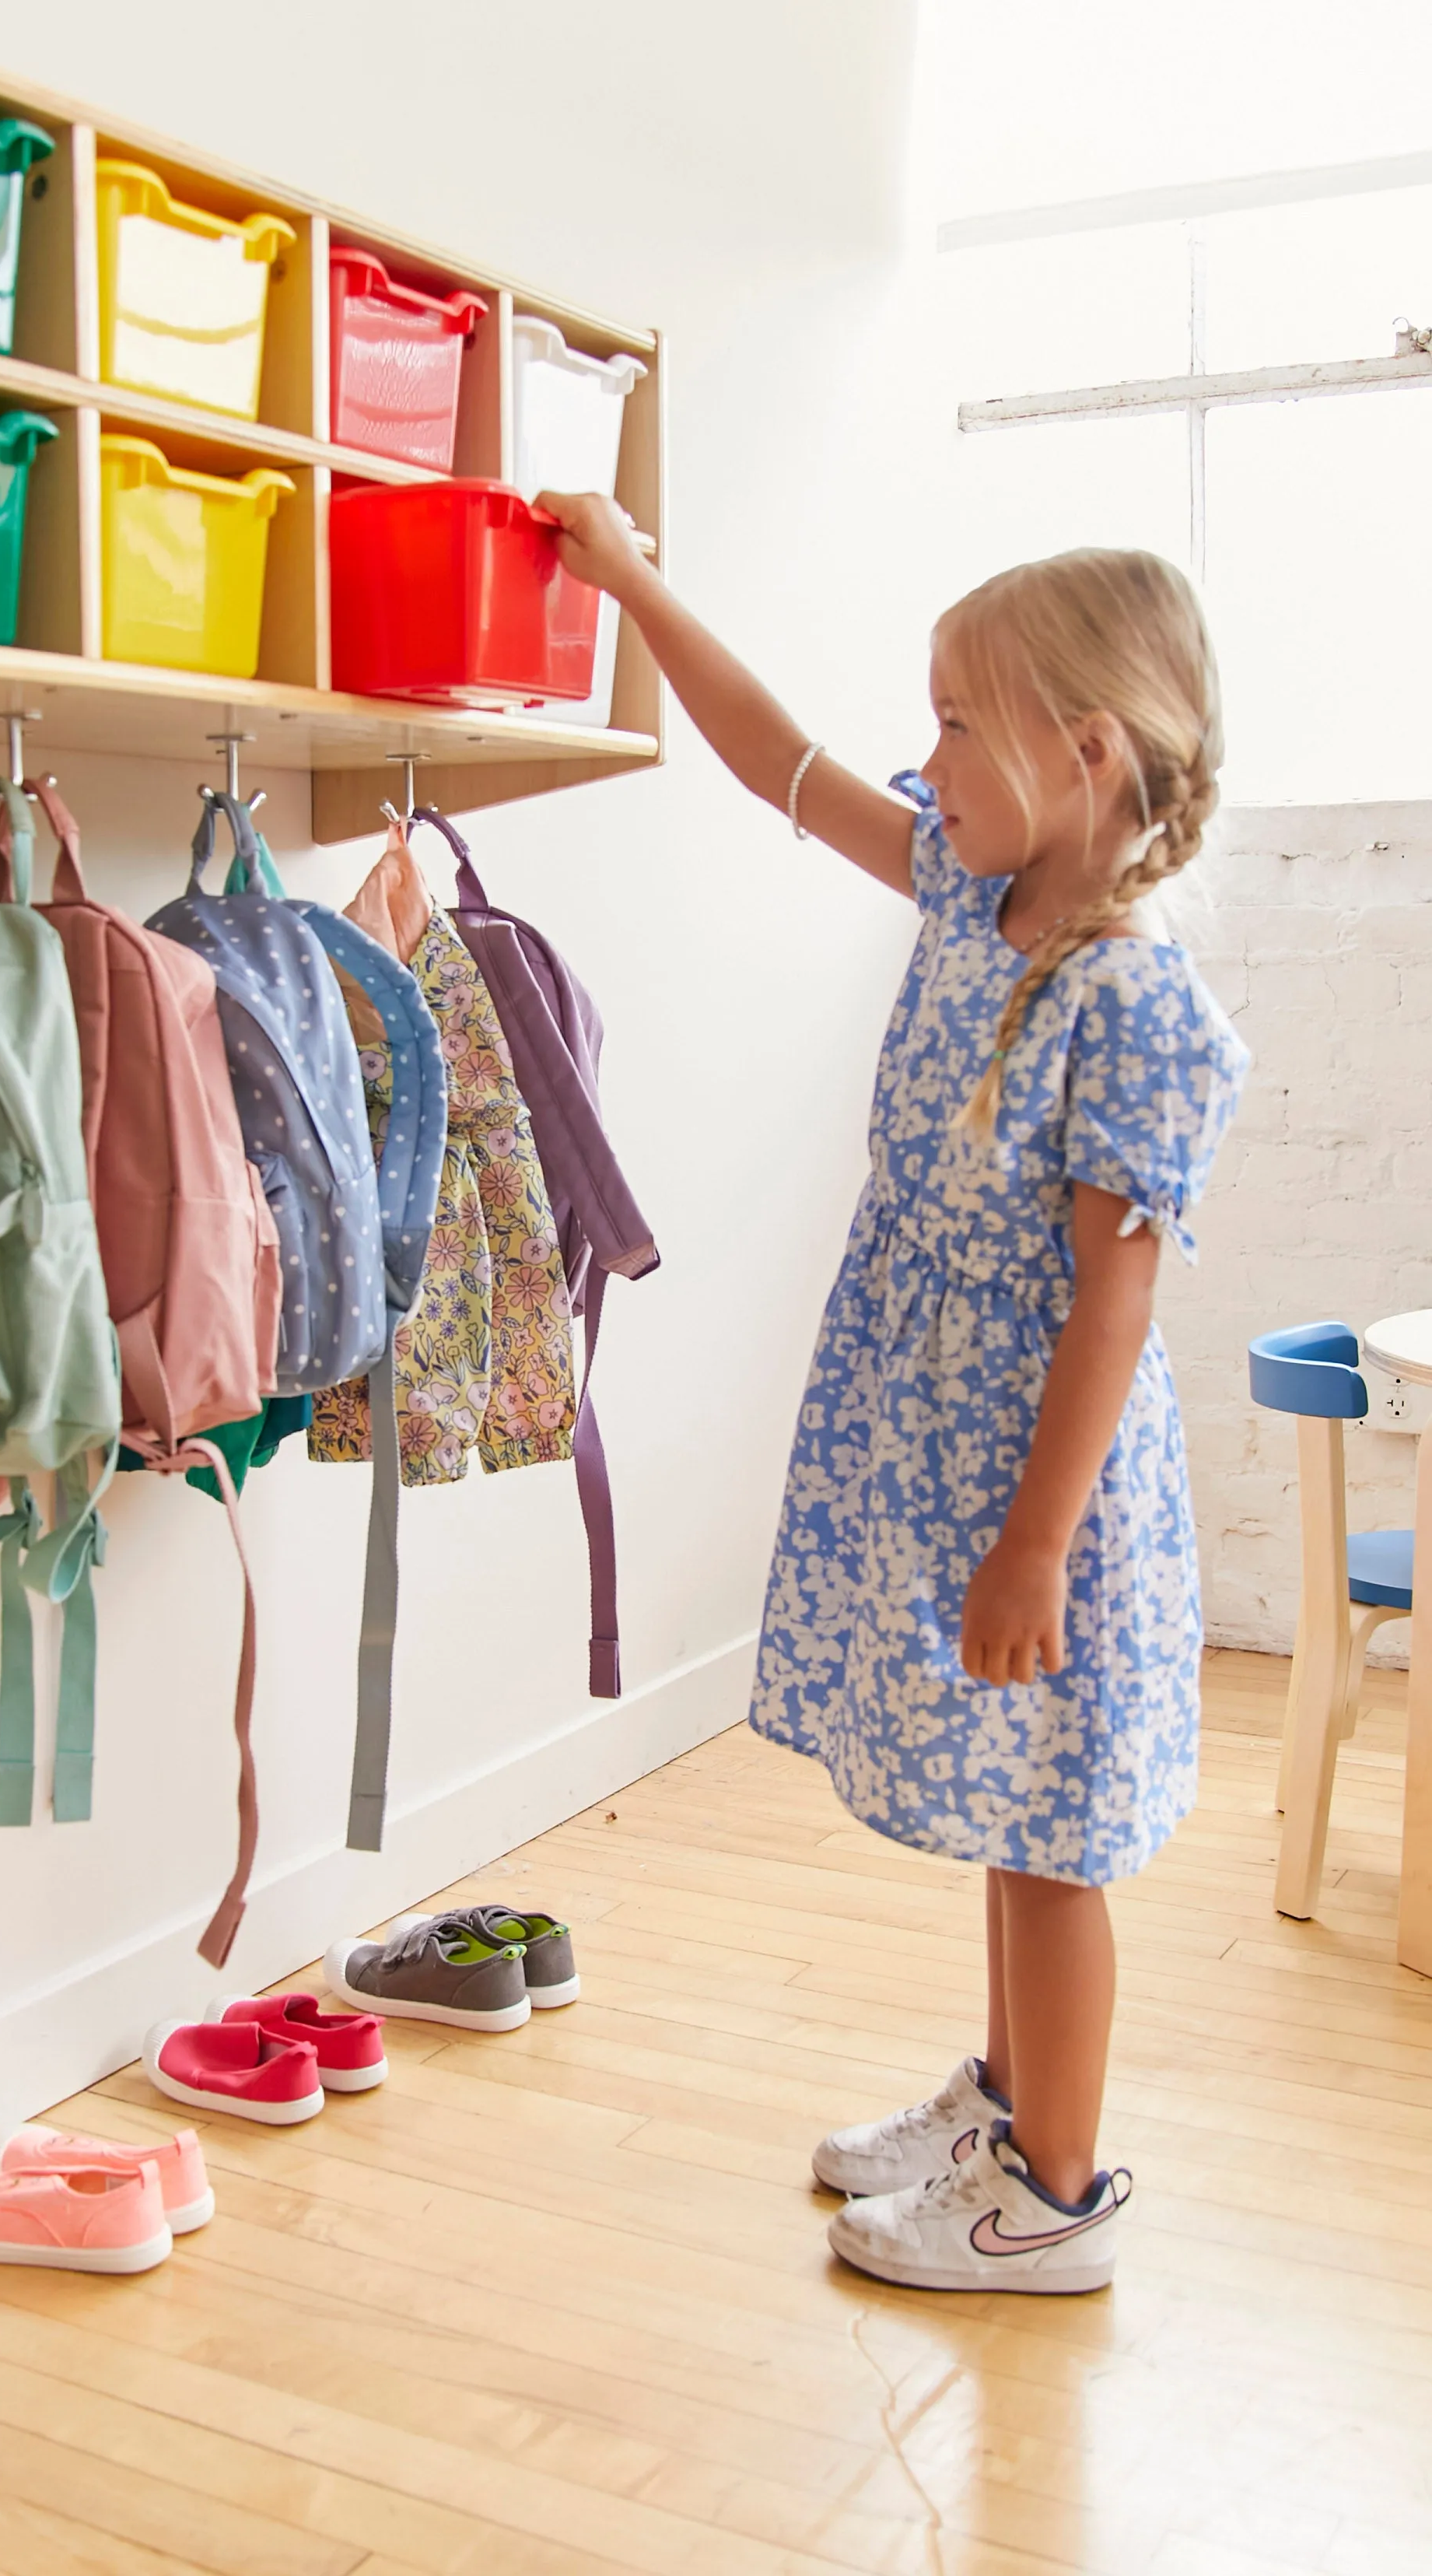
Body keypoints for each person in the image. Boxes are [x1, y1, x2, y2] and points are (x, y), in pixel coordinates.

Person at [542, 501, 1248, 2294]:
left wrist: (1031, 1544)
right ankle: (1007, 2105)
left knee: (1053, 1838)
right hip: (936, 1439)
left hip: (1040, 1478)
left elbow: (1111, 1300)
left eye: (952, 721)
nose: (918, 757)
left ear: (1081, 751)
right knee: (1009, 1813)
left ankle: (1056, 2195)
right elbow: (774, 758)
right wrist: (631, 578)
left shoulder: (1128, 998)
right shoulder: (968, 881)